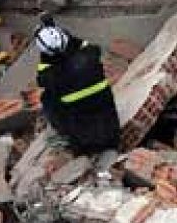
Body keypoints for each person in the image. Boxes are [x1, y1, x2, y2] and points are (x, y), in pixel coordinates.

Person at [34, 18, 120, 154]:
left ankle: (66, 136)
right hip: (110, 126)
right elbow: (79, 45)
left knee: (47, 98)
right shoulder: (90, 53)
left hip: (84, 138)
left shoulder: (50, 74)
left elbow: (42, 77)